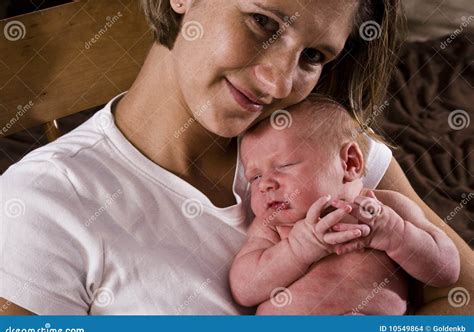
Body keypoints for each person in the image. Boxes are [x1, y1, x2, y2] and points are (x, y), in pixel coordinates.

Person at [0, 0, 472, 315]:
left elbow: (459, 293)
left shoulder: (323, 150)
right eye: (263, 22)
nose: (277, 84)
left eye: (311, 56)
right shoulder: (44, 204)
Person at [229, 96, 460, 315]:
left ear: (350, 162)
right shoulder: (272, 226)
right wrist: (296, 251)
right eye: (255, 177)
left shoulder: (386, 208)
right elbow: (244, 289)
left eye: (284, 165)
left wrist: (396, 234)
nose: (265, 185)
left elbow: (447, 270)